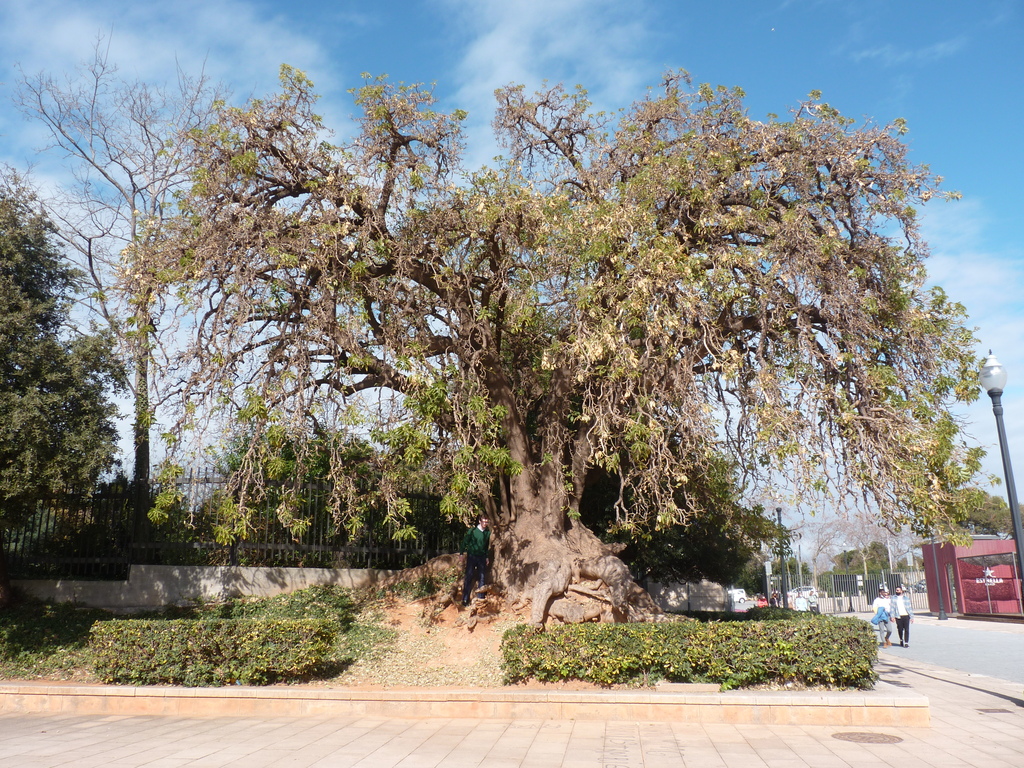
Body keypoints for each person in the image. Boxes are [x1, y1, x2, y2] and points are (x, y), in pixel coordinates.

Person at [460, 515, 490, 606]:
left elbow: (486, 545)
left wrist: (486, 557)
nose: (485, 523)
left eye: (486, 522)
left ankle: (481, 598)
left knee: (482, 577)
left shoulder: (487, 532)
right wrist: (461, 553)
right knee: (469, 576)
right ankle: (465, 599)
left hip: (481, 557)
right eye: (483, 522)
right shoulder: (473, 531)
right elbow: (465, 542)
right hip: (472, 556)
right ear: (480, 522)